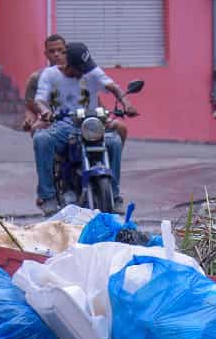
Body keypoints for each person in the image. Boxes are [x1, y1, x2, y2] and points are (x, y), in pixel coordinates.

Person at [31, 42, 133, 214]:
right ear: (68, 65)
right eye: (80, 68)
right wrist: (45, 111)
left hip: (92, 124)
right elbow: (39, 99)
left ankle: (114, 196)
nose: (84, 72)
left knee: (114, 141)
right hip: (63, 126)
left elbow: (113, 87)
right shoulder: (50, 75)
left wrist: (127, 103)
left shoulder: (91, 72)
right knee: (41, 138)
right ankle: (47, 196)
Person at [21, 33, 68, 131]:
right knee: (37, 131)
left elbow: (94, 101)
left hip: (78, 123)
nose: (56, 54)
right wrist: (29, 119)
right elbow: (31, 109)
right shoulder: (36, 78)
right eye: (52, 51)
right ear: (46, 54)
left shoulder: (80, 74)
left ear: (66, 51)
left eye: (60, 50)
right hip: (50, 124)